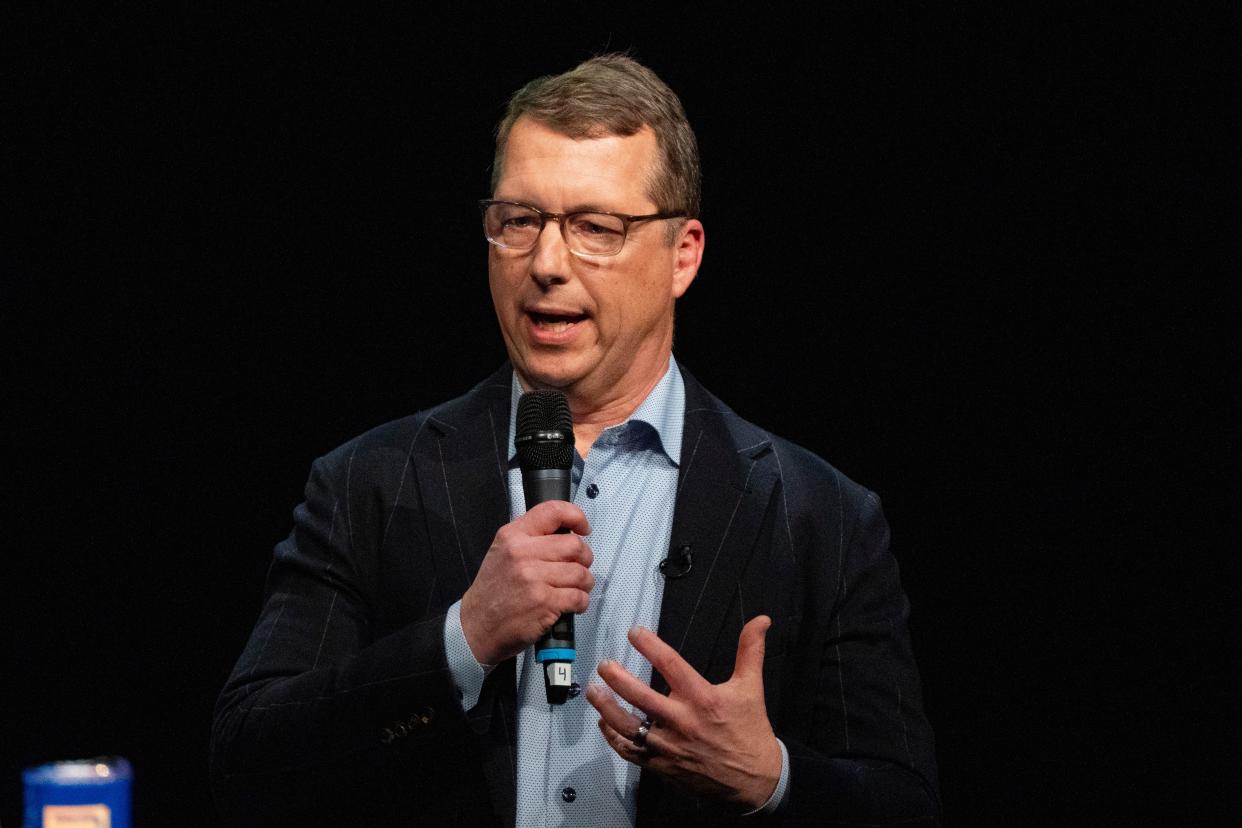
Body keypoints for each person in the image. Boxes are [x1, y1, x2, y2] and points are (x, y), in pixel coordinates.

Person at [211, 54, 939, 826]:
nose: (547, 265)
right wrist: (462, 639)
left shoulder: (819, 516)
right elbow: (248, 762)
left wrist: (769, 780)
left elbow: (904, 804)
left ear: (682, 255)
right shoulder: (370, 484)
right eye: (519, 222)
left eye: (596, 227)